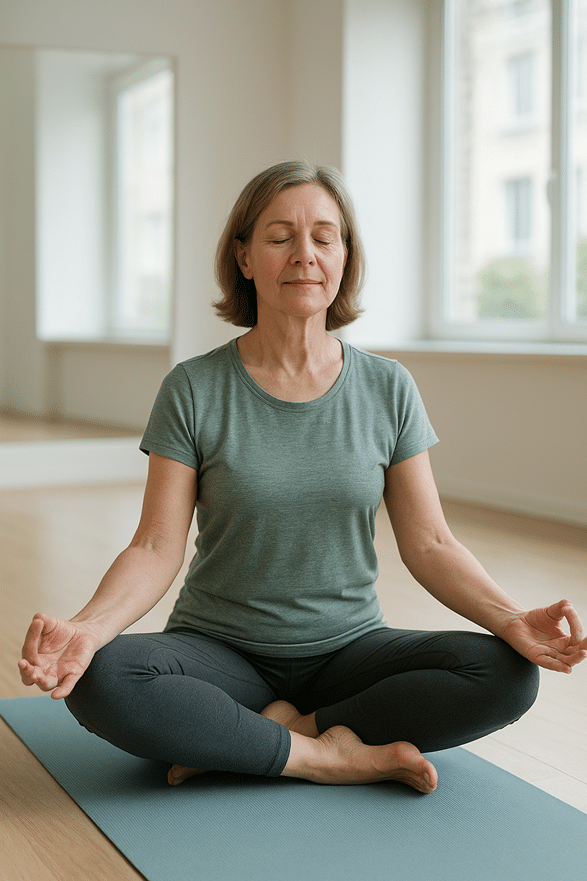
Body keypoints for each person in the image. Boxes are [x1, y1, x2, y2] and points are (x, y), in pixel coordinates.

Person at [19, 160, 587, 795]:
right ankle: (330, 757)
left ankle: (265, 736)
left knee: (505, 672)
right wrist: (88, 630)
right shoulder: (194, 388)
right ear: (243, 257)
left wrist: (509, 618)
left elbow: (431, 543)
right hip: (221, 650)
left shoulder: (387, 386)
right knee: (102, 677)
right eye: (279, 235)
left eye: (324, 236)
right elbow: (155, 546)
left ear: (345, 256)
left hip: (349, 652)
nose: (304, 255)